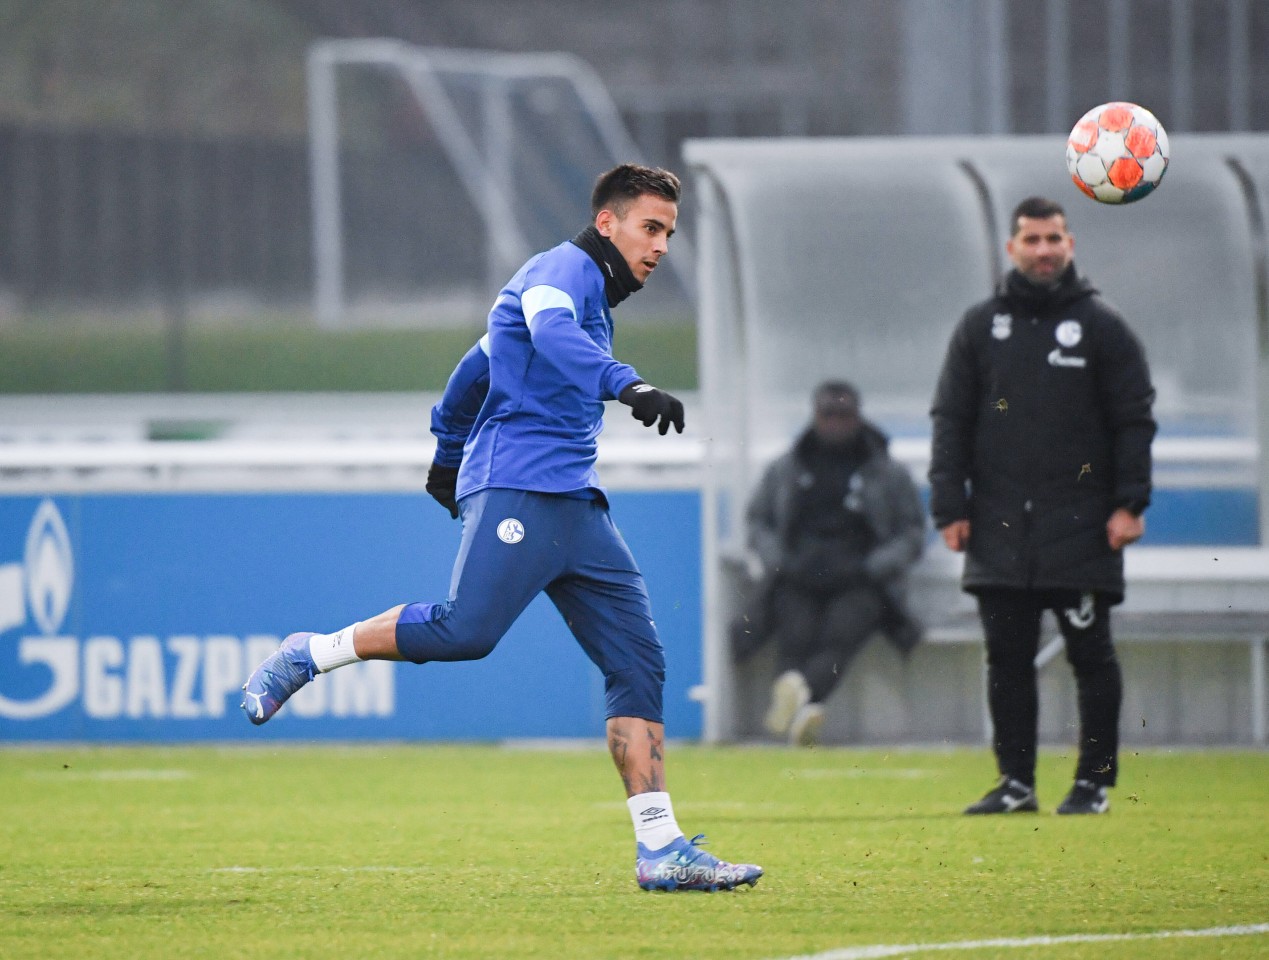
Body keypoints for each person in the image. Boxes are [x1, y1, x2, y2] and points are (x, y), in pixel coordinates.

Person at [240, 164, 761, 892]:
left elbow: (475, 367)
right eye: (651, 227)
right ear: (606, 223)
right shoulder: (560, 270)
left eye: (669, 232)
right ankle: (310, 652)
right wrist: (626, 382)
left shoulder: (589, 299)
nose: (662, 246)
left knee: (638, 665)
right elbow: (546, 333)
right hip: (520, 484)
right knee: (465, 633)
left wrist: (447, 452)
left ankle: (660, 847)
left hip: (575, 504)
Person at [928, 196, 1156, 816]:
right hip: (1000, 525)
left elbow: (1133, 419)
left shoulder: (1103, 326)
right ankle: (1017, 784)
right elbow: (952, 418)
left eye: (1054, 238)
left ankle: (1095, 783)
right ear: (1012, 249)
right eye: (1032, 239)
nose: (1044, 250)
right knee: (1006, 660)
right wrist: (949, 506)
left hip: (1083, 526)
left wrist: (1130, 502)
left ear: (1071, 244)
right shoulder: (981, 326)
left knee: (1091, 656)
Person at [730, 380, 926, 746]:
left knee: (841, 635)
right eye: (828, 415)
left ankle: (798, 699)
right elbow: (758, 520)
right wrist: (779, 560)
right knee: (796, 634)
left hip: (861, 577)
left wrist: (876, 566)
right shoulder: (787, 467)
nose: (836, 423)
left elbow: (912, 532)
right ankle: (804, 710)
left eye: (844, 415)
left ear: (858, 418)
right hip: (798, 573)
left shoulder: (886, 471)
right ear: (815, 416)